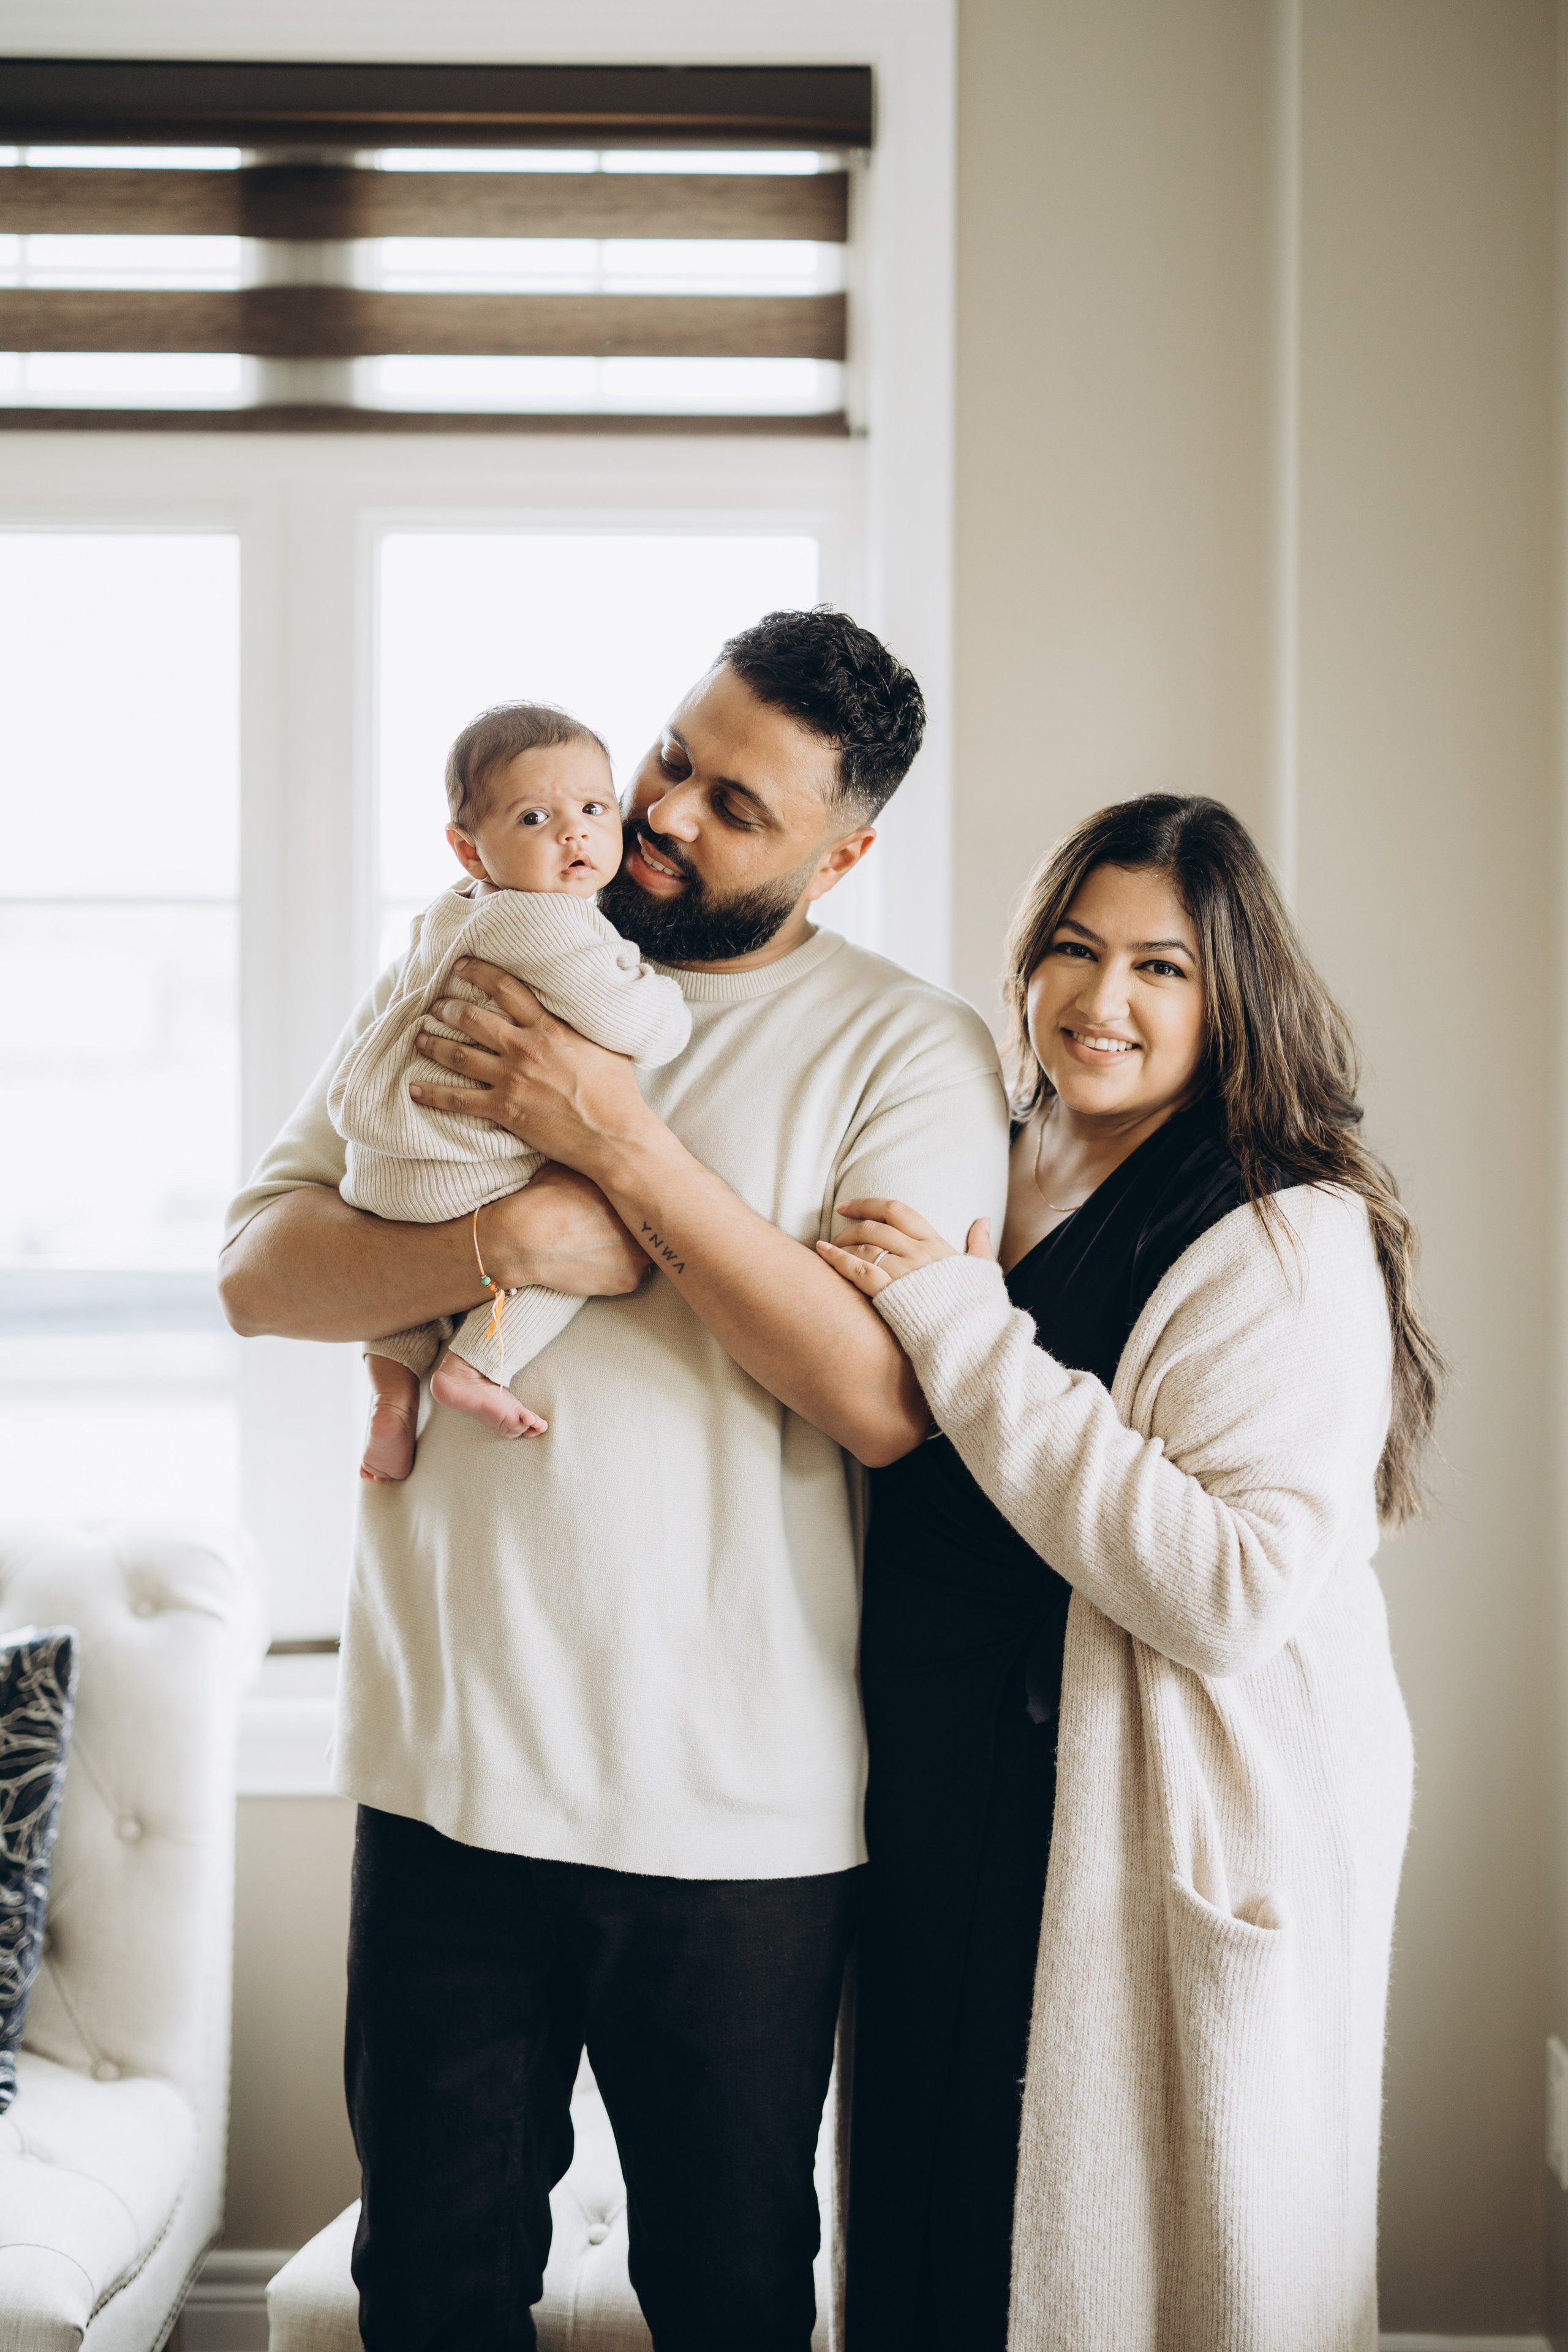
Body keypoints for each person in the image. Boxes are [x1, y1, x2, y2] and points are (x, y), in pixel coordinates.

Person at [218, 606, 1011, 2352]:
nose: (658, 814)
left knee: (728, 2297)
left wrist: (619, 1143)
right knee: (428, 2291)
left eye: (737, 807)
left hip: (734, 1813)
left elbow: (885, 1401)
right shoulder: (467, 958)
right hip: (443, 1779)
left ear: (844, 850)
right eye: (673, 755)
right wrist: (511, 1234)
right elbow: (262, 1271)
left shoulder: (911, 1049)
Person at [818, 794, 1441, 2352]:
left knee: (1086, 2263)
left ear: (1231, 994)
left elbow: (1227, 1588)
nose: (1103, 1002)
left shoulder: (1282, 1231)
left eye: (1161, 967)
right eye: (1074, 952)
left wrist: (962, 1325)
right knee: (914, 2239)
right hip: (933, 1800)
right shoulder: (982, 1152)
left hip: (1122, 1812)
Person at [330, 700, 689, 1482]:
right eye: (535, 817)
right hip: (464, 1167)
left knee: (404, 1310)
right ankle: (478, 1366)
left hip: (385, 1170)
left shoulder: (458, 910)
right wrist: (661, 994)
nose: (575, 834)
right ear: (470, 849)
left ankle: (392, 1398)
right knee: (580, 1239)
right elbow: (646, 1028)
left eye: (595, 809)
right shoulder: (550, 925)